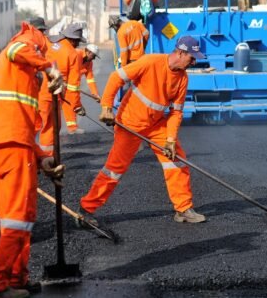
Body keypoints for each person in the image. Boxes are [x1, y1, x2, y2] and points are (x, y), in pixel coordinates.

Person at [79, 36, 207, 226]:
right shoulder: (150, 62)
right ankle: (86, 210)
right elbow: (116, 77)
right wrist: (106, 107)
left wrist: (170, 139)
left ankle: (183, 208)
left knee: (176, 161)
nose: (194, 62)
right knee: (114, 169)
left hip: (156, 124)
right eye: (192, 58)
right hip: (130, 122)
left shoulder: (182, 78)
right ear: (180, 52)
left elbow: (176, 112)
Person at [0, 20, 64, 298]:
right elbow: (18, 50)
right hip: (11, 144)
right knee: (20, 217)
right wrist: (49, 67)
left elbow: (20, 124)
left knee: (12, 218)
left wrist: (41, 159)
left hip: (7, 145)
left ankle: (17, 277)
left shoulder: (7, 73)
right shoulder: (25, 42)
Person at [38, 23, 86, 151]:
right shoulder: (73, 54)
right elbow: (73, 87)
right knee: (51, 127)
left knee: (35, 125)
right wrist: (77, 106)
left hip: (34, 91)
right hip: (50, 96)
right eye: (77, 42)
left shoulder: (48, 43)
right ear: (72, 39)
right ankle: (47, 157)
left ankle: (31, 156)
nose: (77, 45)